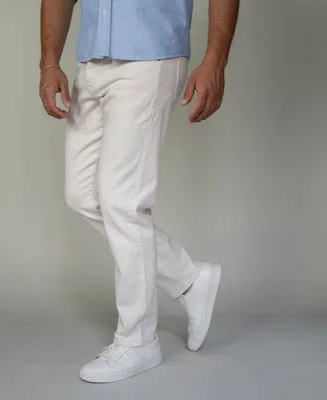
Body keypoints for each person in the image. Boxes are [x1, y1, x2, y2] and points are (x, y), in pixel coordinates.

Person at [39, 0, 240, 383]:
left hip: (150, 57)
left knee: (123, 201)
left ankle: (138, 340)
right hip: (92, 61)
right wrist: (49, 61)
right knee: (82, 195)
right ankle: (189, 279)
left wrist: (215, 60)